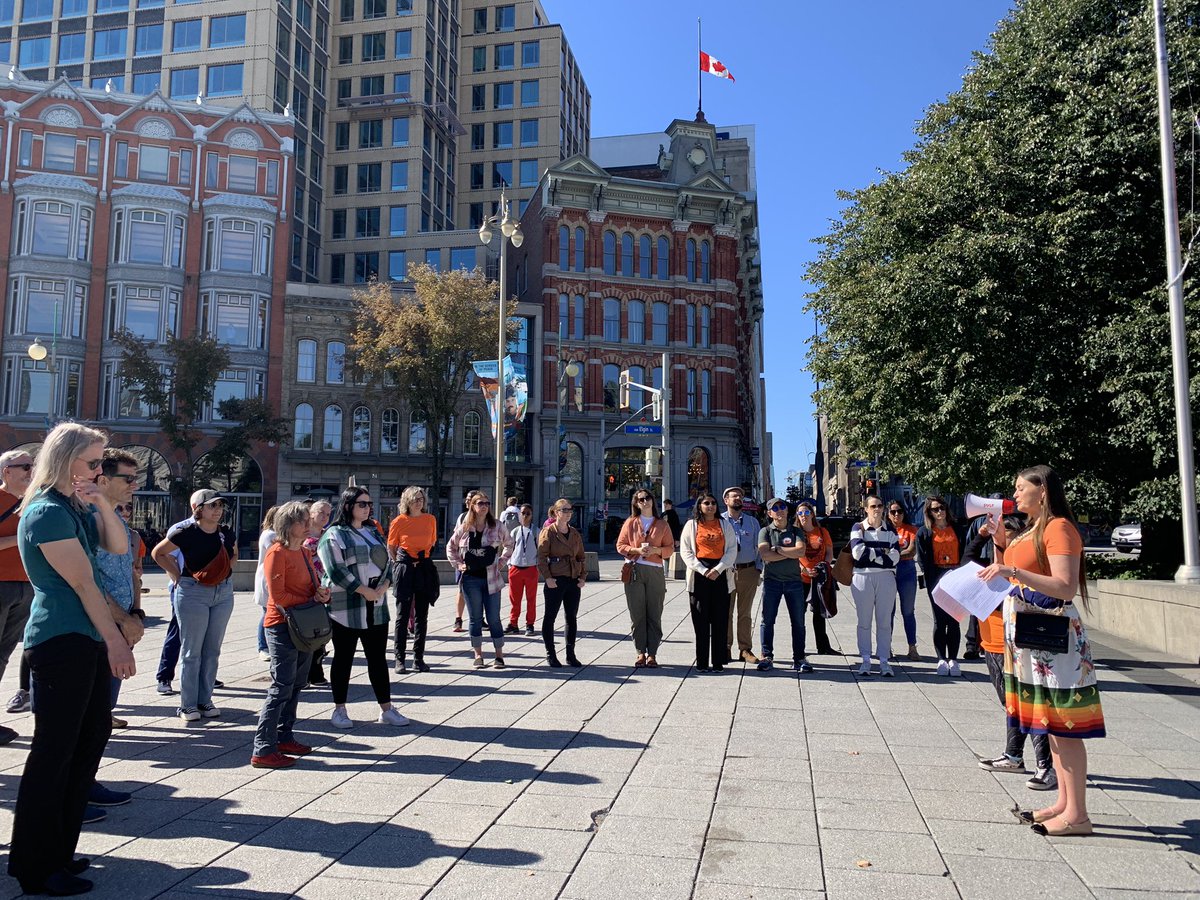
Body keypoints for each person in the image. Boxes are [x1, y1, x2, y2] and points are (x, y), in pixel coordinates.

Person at [9, 423, 136, 896]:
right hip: (61, 638)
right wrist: (116, 640)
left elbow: (118, 547)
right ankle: (36, 866)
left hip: (81, 638)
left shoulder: (73, 506)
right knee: (54, 753)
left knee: (88, 739)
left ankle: (58, 851)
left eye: (102, 463)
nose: (100, 471)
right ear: (65, 460)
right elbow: (83, 584)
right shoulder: (45, 511)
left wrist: (102, 500)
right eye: (92, 463)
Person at [979, 465, 1103, 836]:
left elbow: (1064, 586)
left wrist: (1013, 574)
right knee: (1051, 725)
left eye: (1021, 487)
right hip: (1034, 637)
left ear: (1043, 491)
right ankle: (1064, 803)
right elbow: (1012, 569)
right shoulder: (1033, 528)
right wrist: (1002, 543)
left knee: (1065, 726)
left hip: (1054, 638)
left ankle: (1078, 814)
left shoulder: (1059, 528)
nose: (1015, 494)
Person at [970, 513, 1058, 792]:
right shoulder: (998, 564)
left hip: (1018, 641)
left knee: (1031, 705)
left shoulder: (1020, 569)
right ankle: (1014, 755)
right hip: (994, 645)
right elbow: (967, 559)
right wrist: (987, 536)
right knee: (1014, 706)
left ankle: (1046, 765)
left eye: (1008, 533)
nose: (1004, 536)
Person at [318, 487, 408, 728]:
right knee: (343, 658)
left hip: (376, 604)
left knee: (378, 659)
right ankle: (339, 709)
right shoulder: (334, 534)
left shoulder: (372, 532)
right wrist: (362, 589)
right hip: (346, 606)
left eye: (369, 504)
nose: (367, 508)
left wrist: (386, 582)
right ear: (348, 505)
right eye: (362, 504)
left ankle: (386, 709)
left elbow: (389, 561)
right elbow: (335, 570)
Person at [251, 501, 331, 768]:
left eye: (308, 519)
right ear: (288, 525)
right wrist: (309, 598)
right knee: (281, 686)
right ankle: (263, 748)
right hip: (281, 625)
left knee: (296, 684)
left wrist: (320, 593)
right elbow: (279, 596)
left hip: (302, 625)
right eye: (301, 520)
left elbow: (312, 585)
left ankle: (284, 736)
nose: (307, 523)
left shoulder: (305, 552)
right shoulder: (278, 552)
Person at [152, 489, 237, 722]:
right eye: (212, 506)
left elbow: (234, 555)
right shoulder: (185, 531)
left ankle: (205, 699)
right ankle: (188, 705)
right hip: (193, 592)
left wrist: (222, 573)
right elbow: (158, 553)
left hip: (223, 592)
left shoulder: (226, 533)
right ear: (198, 508)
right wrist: (176, 575)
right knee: (192, 651)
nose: (218, 510)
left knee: (213, 650)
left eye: (220, 506)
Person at [94, 449, 146, 733]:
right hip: (101, 621)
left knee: (109, 690)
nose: (133, 485)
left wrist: (136, 612)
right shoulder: (90, 520)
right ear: (103, 480)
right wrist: (123, 619)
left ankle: (104, 716)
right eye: (127, 479)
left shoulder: (122, 527)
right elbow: (89, 580)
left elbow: (131, 573)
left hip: (124, 619)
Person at [446, 493, 513, 669]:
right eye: (480, 503)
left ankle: (499, 656)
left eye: (487, 503)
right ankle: (478, 655)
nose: (484, 506)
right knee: (475, 618)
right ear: (472, 506)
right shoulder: (464, 527)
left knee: (494, 618)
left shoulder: (497, 525)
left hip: (492, 578)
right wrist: (458, 564)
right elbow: (450, 547)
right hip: (470, 580)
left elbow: (509, 543)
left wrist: (501, 562)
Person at [616, 491, 674, 668]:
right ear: (636, 504)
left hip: (655, 570)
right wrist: (636, 551)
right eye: (641, 499)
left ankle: (653, 654)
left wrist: (656, 551)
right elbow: (620, 545)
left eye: (648, 498)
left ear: (652, 501)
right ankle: (640, 652)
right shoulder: (630, 522)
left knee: (655, 613)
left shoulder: (662, 524)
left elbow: (670, 548)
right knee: (637, 613)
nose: (645, 501)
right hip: (635, 570)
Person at [679, 493, 737, 673]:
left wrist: (718, 569)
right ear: (700, 506)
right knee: (701, 620)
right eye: (706, 503)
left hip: (720, 574)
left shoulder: (725, 524)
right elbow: (686, 551)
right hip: (699, 575)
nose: (710, 506)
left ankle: (718, 662)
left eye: (713, 503)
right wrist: (703, 570)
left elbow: (732, 549)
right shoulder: (691, 525)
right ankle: (702, 662)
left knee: (720, 620)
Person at [757, 499, 815, 674]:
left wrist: (778, 550)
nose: (780, 510)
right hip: (772, 581)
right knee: (767, 621)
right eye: (775, 508)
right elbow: (765, 555)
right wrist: (789, 553)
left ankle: (799, 658)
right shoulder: (765, 531)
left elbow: (801, 551)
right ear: (769, 513)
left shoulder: (796, 531)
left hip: (794, 582)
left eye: (782, 507)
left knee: (798, 622)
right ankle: (767, 656)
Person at [0, 449, 35, 734]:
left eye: (31, 465)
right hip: (1, 584)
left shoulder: (32, 501)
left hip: (26, 587)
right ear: (6, 471)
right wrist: (19, 537)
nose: (30, 470)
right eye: (24, 466)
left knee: (3, 654)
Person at [388, 486, 439, 673]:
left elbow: (431, 543)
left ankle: (418, 658)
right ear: (407, 501)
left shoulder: (430, 519)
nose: (420, 502)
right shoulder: (399, 521)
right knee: (402, 616)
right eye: (416, 499)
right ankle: (399, 659)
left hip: (423, 568)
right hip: (405, 568)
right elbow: (392, 548)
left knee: (421, 616)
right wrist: (402, 563)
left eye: (422, 499)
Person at [916, 497, 967, 676]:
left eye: (942, 508)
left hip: (956, 576)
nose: (939, 512)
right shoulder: (924, 532)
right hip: (936, 578)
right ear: (929, 513)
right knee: (939, 619)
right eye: (935, 509)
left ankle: (953, 659)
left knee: (954, 619)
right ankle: (941, 659)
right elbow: (922, 558)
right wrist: (930, 578)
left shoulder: (958, 529)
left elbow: (966, 553)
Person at [850, 495, 900, 677]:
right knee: (864, 621)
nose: (877, 509)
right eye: (873, 506)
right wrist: (882, 553)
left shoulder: (891, 530)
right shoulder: (858, 528)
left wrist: (872, 553)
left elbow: (895, 556)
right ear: (866, 509)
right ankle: (865, 659)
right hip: (862, 577)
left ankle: (884, 660)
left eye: (879, 505)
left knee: (884, 622)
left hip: (886, 578)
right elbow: (857, 553)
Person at [537, 498, 586, 667]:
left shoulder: (574, 533)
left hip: (573, 579)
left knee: (571, 617)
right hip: (556, 579)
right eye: (564, 510)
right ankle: (551, 654)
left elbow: (581, 556)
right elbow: (541, 557)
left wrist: (582, 577)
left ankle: (570, 654)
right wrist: (548, 578)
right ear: (557, 512)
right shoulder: (549, 532)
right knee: (550, 617)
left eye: (570, 510)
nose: (568, 513)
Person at [721, 486, 761, 665]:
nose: (737, 498)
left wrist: (758, 569)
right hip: (726, 572)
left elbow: (760, 547)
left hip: (748, 571)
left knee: (745, 613)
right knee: (725, 613)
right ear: (726, 500)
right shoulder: (719, 521)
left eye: (740, 496)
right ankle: (725, 647)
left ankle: (745, 649)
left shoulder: (752, 522)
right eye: (733, 496)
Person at [799, 505, 836, 657]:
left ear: (812, 514)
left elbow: (829, 553)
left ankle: (823, 646)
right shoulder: (796, 533)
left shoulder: (822, 532)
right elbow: (794, 555)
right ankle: (799, 647)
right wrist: (803, 569)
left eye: (806, 512)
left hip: (819, 579)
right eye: (800, 513)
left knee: (819, 614)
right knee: (798, 615)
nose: (803, 515)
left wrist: (824, 566)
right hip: (801, 579)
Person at [304, 500, 333, 687]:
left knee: (322, 634)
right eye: (321, 512)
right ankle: (305, 674)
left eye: (328, 514)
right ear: (311, 513)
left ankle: (316, 671)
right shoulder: (302, 535)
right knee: (307, 633)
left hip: (326, 588)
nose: (325, 517)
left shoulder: (329, 535)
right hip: (307, 587)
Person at [888, 502, 921, 661]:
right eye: (893, 511)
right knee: (888, 611)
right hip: (888, 572)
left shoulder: (911, 529)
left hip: (906, 571)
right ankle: (886, 646)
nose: (896, 515)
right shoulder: (885, 530)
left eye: (899, 511)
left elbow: (911, 551)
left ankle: (912, 647)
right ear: (888, 513)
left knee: (908, 611)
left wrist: (891, 555)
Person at [506, 504, 539, 636]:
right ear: (519, 515)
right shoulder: (515, 531)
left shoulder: (536, 531)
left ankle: (530, 624)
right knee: (515, 599)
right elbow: (509, 549)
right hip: (515, 568)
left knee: (531, 599)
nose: (525, 516)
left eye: (528, 513)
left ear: (531, 516)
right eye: (523, 513)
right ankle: (513, 623)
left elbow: (541, 550)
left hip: (531, 568)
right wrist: (509, 564)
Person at [451, 490, 481, 633]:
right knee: (462, 590)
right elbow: (454, 541)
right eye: (467, 499)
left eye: (471, 499)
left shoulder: (484, 518)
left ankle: (479, 618)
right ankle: (458, 619)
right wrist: (457, 561)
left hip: (479, 561)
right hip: (464, 560)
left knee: (480, 590)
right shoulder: (462, 517)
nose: (468, 502)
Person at [254, 507, 279, 663]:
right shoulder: (270, 535)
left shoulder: (274, 534)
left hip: (272, 578)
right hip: (266, 579)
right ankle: (263, 647)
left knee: (268, 612)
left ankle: (268, 645)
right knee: (266, 614)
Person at [661, 499, 683, 567]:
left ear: (670, 505)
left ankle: (668, 569)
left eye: (666, 504)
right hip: (663, 536)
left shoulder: (673, 514)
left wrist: (677, 539)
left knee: (670, 552)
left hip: (672, 536)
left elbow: (676, 527)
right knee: (664, 553)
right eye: (664, 504)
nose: (665, 506)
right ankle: (665, 568)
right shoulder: (663, 514)